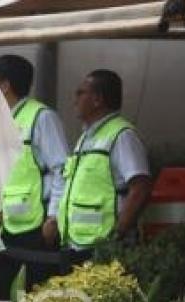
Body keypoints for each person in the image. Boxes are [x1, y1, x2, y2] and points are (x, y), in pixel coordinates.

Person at [0, 54, 69, 296]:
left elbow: (60, 169)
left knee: (35, 297)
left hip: (37, 227)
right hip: (8, 228)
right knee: (6, 297)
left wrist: (53, 217)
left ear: (5, 85)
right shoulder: (2, 119)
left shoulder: (41, 117)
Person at [54, 69, 153, 259]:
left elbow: (140, 188)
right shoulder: (86, 136)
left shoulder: (122, 135)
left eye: (80, 93)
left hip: (103, 247)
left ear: (97, 99)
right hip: (77, 244)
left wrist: (117, 235)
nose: (75, 100)